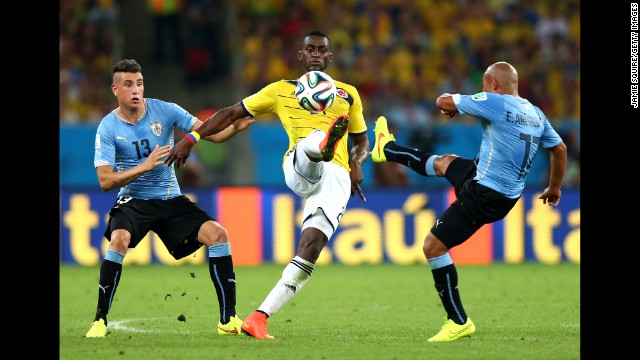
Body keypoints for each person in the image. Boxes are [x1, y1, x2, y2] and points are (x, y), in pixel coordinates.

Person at [165, 30, 370, 340]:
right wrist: (193, 138)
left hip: (337, 178)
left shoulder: (348, 94)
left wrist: (357, 162)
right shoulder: (280, 90)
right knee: (312, 142)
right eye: (310, 49)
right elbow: (232, 112)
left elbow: (362, 140)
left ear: (330, 56)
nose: (316, 54)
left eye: (322, 50)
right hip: (299, 165)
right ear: (301, 55)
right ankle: (322, 142)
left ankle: (259, 317)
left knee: (310, 250)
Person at [371, 61, 567, 342]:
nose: (482, 90)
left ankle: (458, 321)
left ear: (494, 85)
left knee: (433, 246)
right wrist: (555, 187)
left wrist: (456, 105)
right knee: (445, 162)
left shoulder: (495, 101)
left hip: (486, 194)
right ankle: (387, 149)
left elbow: (442, 100)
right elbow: (559, 149)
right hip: (495, 184)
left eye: (484, 85)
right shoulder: (536, 113)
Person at [85, 59, 255, 338]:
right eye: (128, 84)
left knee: (219, 235)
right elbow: (105, 181)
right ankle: (100, 321)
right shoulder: (107, 128)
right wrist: (145, 166)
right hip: (134, 200)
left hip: (169, 198)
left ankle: (228, 320)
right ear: (115, 89)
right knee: (119, 240)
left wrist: (233, 129)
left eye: (139, 83)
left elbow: (210, 133)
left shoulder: (164, 110)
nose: (135, 89)